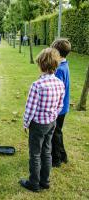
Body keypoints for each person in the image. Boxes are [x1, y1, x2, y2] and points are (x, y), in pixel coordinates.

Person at [19, 48, 65, 192]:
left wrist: (25, 123)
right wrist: (53, 117)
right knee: (46, 151)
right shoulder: (59, 83)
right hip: (51, 123)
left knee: (35, 154)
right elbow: (60, 105)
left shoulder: (37, 85)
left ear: (41, 65)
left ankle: (34, 183)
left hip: (38, 125)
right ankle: (45, 181)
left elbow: (30, 108)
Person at [51, 38, 71, 167]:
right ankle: (63, 155)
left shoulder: (59, 70)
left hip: (58, 108)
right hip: (63, 107)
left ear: (57, 53)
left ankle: (56, 159)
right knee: (58, 131)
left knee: (55, 133)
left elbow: (56, 92)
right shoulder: (65, 65)